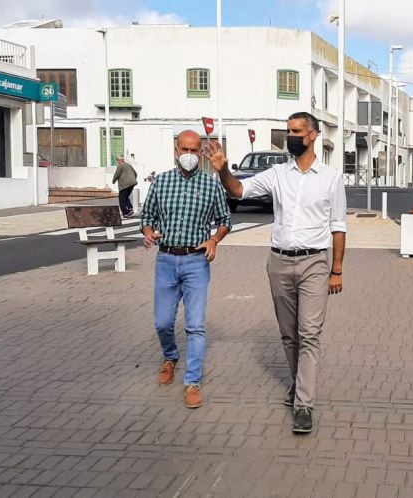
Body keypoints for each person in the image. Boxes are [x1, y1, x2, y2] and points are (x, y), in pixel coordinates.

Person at [206, 112, 347, 434]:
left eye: (296, 131)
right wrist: (223, 170)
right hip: (279, 262)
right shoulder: (277, 174)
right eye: (288, 131)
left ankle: (304, 404)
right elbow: (239, 190)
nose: (290, 137)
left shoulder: (331, 177)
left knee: (309, 333)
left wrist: (336, 270)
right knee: (288, 334)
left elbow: (339, 226)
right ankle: (299, 385)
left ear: (313, 135)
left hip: (315, 263)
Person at [139, 130, 232, 409]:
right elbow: (147, 216)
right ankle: (170, 356)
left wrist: (214, 240)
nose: (189, 155)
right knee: (163, 322)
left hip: (196, 261)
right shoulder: (161, 182)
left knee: (195, 325)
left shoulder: (211, 184)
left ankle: (192, 383)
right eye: (184, 150)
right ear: (176, 151)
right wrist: (147, 232)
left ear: (200, 152)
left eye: (194, 150)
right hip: (166, 259)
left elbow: (225, 219)